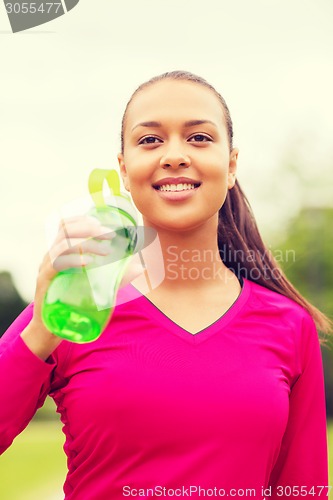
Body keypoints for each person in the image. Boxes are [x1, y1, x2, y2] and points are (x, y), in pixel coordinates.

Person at [0, 70, 331, 500]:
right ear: (123, 169)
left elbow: (301, 490)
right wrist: (39, 334)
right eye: (150, 140)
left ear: (231, 165)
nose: (174, 155)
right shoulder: (72, 304)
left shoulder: (289, 325)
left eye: (198, 138)